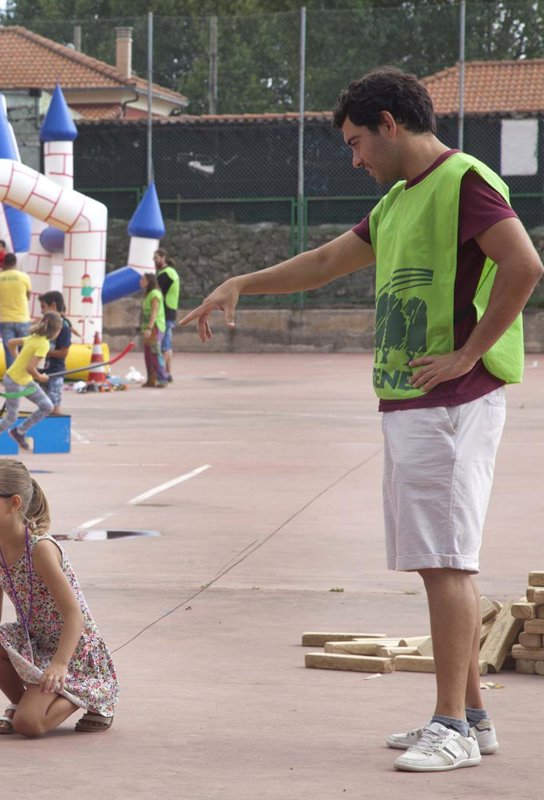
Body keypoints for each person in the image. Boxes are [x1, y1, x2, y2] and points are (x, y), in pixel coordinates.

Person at [182, 67, 543, 773]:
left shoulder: (464, 181)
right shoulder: (399, 201)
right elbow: (323, 262)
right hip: (414, 400)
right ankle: (472, 718)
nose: (354, 159)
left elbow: (524, 265)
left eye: (356, 142)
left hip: (452, 402)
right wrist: (241, 283)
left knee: (447, 563)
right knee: (437, 561)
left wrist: (469, 351)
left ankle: (452, 727)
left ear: (388, 123)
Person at [0, 457, 118, 737]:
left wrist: (60, 664)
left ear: (14, 502)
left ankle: (94, 693)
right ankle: (20, 702)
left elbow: (75, 615)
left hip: (73, 651)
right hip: (37, 644)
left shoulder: (40, 549)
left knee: (28, 725)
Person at [0, 312, 61, 457]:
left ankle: (19, 431)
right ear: (56, 330)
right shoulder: (43, 344)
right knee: (11, 417)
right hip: (14, 380)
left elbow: (11, 343)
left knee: (47, 406)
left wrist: (17, 359)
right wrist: (41, 377)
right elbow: (31, 368)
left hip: (25, 380)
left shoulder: (34, 337)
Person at [0, 253, 32, 366]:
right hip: (22, 317)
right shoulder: (24, 277)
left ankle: (12, 374)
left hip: (5, 318)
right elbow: (28, 295)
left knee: (9, 349)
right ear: (16, 263)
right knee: (25, 349)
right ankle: (24, 373)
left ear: (4, 263)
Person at [38, 292, 72, 414]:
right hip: (42, 371)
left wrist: (45, 352)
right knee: (44, 404)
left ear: (53, 306)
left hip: (55, 371)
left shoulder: (64, 327)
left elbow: (63, 353)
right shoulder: (44, 325)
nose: (42, 311)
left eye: (43, 307)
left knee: (54, 404)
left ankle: (57, 423)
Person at [140, 273, 171, 388]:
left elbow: (154, 311)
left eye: (143, 279)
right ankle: (151, 379)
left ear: (149, 281)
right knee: (148, 355)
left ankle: (162, 378)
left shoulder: (155, 294)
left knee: (155, 353)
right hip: (148, 328)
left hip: (155, 327)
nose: (140, 281)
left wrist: (149, 328)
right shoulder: (148, 294)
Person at [154, 248, 180, 378]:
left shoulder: (165, 274)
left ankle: (160, 374)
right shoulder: (171, 272)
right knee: (168, 346)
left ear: (163, 257)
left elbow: (156, 293)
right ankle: (168, 373)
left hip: (165, 312)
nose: (154, 261)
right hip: (171, 311)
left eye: (156, 258)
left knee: (165, 346)